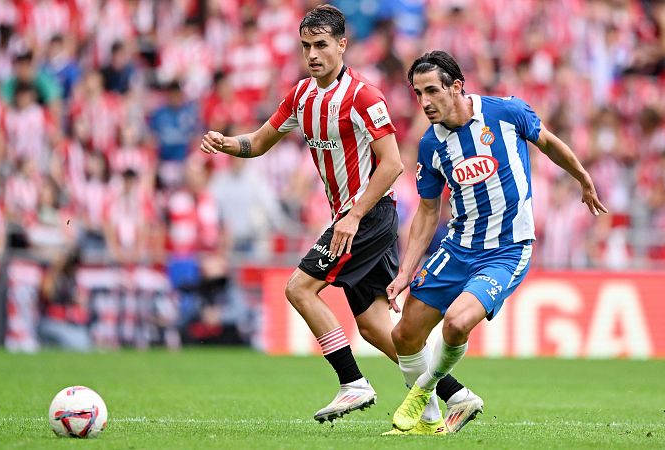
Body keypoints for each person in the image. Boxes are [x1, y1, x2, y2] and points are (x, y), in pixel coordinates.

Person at [200, 6, 480, 430]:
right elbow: (258, 143)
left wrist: (352, 217)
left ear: (342, 45)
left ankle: (352, 381)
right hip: (355, 217)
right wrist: (227, 144)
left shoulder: (363, 96)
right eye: (306, 46)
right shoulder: (300, 96)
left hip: (368, 215)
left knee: (299, 288)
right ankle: (455, 394)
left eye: (321, 45)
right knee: (374, 329)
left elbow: (391, 165)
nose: (312, 54)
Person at [383, 51, 607, 436]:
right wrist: (405, 271)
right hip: (458, 247)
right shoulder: (430, 145)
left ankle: (423, 391)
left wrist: (582, 177)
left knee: (456, 323)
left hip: (507, 249)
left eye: (433, 90)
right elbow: (426, 211)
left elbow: (549, 143)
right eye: (419, 93)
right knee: (404, 334)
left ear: (456, 86)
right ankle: (432, 424)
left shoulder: (506, 112)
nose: (425, 102)